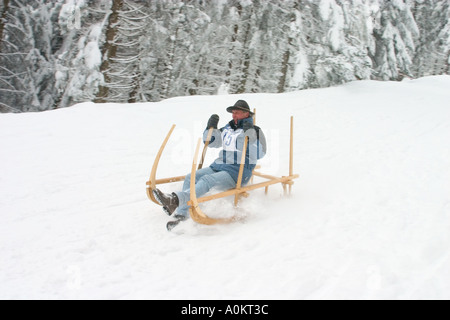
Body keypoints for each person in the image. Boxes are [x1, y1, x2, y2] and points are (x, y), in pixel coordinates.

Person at [153, 100, 266, 221]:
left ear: (246, 114)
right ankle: (181, 213)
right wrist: (210, 129)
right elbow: (211, 142)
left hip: (237, 172)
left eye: (237, 113)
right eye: (233, 113)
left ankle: (175, 200)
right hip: (219, 165)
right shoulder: (228, 128)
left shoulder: (256, 130)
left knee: (207, 180)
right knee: (190, 177)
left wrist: (251, 137)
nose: (233, 115)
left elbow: (260, 154)